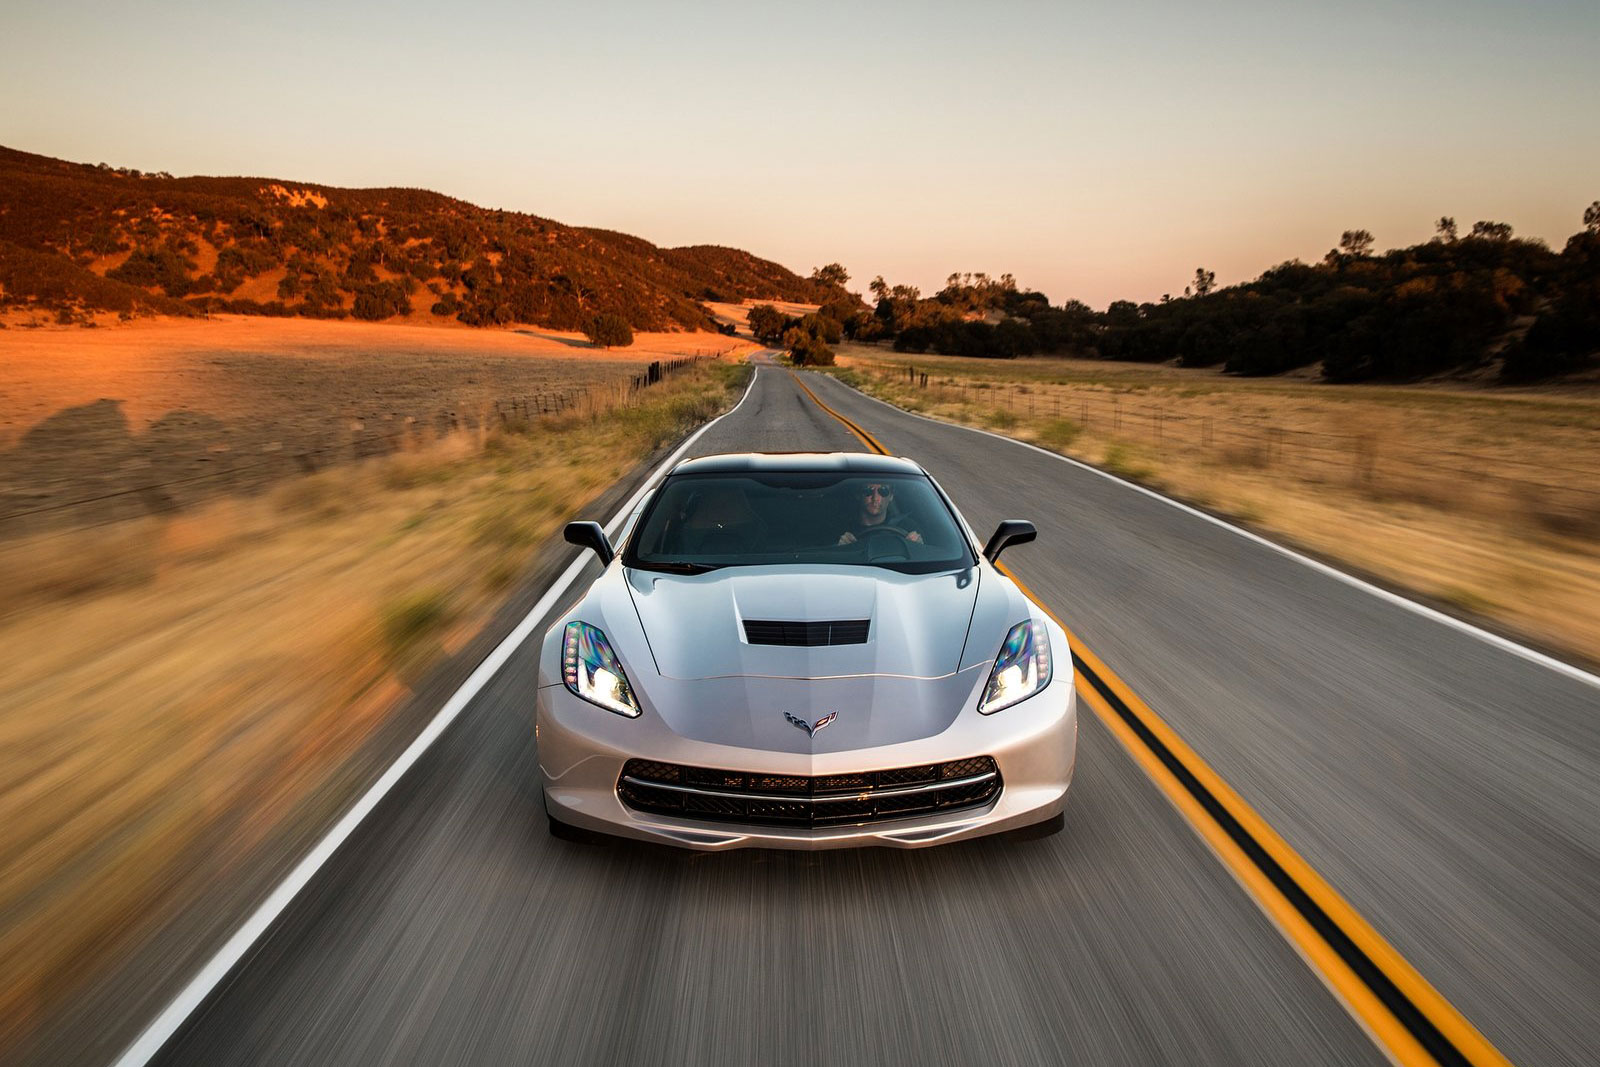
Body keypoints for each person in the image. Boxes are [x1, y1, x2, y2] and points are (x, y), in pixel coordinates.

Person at [838, 481, 922, 545]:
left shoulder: (908, 527)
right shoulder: (841, 528)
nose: (875, 498)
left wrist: (919, 546)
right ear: (858, 495)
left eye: (883, 491)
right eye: (868, 490)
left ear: (891, 496)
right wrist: (840, 549)